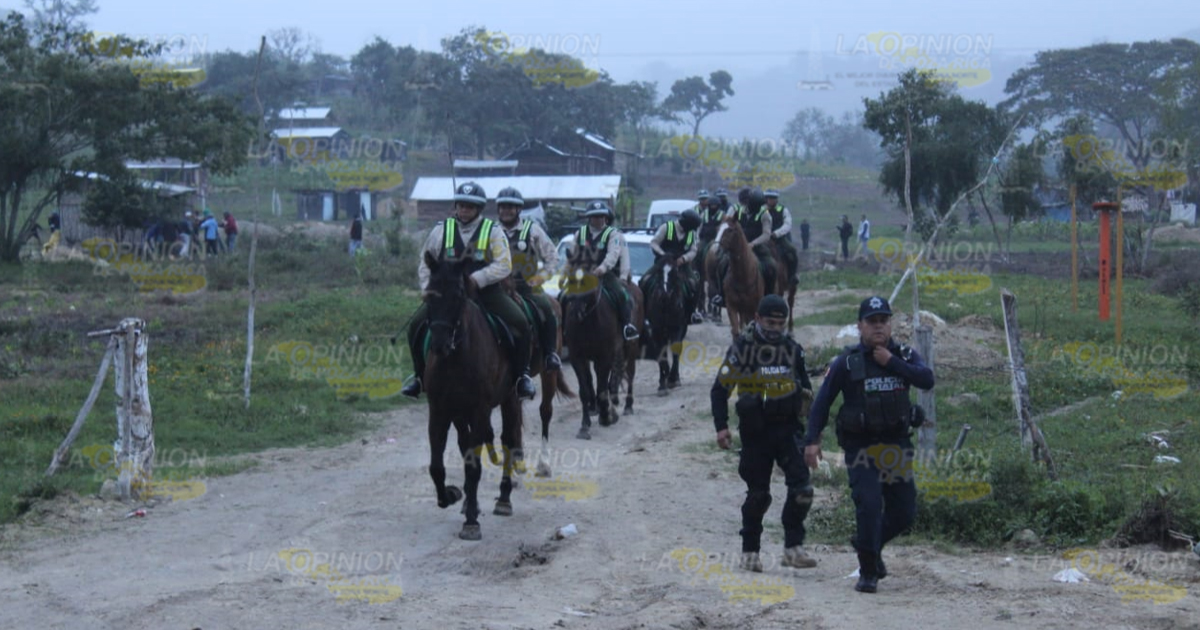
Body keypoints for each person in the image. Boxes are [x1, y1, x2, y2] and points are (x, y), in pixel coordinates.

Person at [802, 296, 935, 593]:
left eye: (883, 321)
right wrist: (812, 440)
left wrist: (893, 363)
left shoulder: (903, 354)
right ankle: (868, 570)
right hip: (861, 448)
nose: (878, 327)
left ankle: (867, 543)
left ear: (890, 324)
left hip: (896, 445)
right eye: (872, 321)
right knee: (870, 506)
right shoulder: (846, 362)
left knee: (904, 513)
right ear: (860, 326)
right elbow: (822, 403)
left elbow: (927, 379)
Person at [712, 294, 819, 573]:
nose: (774, 328)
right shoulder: (741, 349)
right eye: (770, 322)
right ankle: (750, 552)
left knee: (803, 489)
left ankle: (793, 548)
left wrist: (811, 424)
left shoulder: (792, 349)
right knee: (758, 496)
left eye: (780, 323)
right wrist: (721, 426)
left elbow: (807, 389)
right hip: (755, 433)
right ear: (757, 319)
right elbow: (719, 389)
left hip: (787, 430)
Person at [401, 182, 537, 400]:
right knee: (415, 326)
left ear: (479, 209)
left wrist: (477, 279)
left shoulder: (492, 231)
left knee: (520, 321)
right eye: (461, 206)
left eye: (470, 207)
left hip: (486, 293)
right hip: (447, 296)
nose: (464, 210)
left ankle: (522, 376)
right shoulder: (440, 230)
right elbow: (425, 262)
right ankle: (419, 377)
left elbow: (504, 264)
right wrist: (427, 288)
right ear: (456, 206)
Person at [496, 186, 562, 371]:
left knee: (547, 310)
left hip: (527, 287)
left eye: (510, 207)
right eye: (502, 207)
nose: (506, 210)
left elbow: (552, 257)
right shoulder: (491, 231)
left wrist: (540, 278)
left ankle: (549, 354)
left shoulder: (532, 230)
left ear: (519, 210)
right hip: (496, 288)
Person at [566, 200, 640, 341]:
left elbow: (613, 254)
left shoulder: (612, 234)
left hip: (604, 275)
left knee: (621, 294)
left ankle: (626, 326)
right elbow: (572, 252)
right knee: (566, 296)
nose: (598, 219)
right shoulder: (580, 233)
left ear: (606, 217)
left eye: (601, 216)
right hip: (582, 275)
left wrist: (601, 269)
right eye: (595, 216)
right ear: (589, 218)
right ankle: (566, 329)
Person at [641, 208, 702, 324]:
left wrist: (684, 258)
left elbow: (694, 250)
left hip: (682, 266)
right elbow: (654, 243)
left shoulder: (692, 234)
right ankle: (643, 313)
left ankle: (692, 312)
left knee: (694, 283)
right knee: (645, 280)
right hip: (663, 265)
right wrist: (664, 255)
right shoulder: (666, 227)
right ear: (687, 223)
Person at [764, 189, 798, 288]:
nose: (771, 200)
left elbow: (787, 225)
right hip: (764, 238)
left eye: (773, 198)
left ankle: (792, 276)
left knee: (792, 251)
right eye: (769, 198)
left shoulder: (783, 210)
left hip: (779, 239)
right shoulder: (762, 210)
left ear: (777, 199)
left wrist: (776, 233)